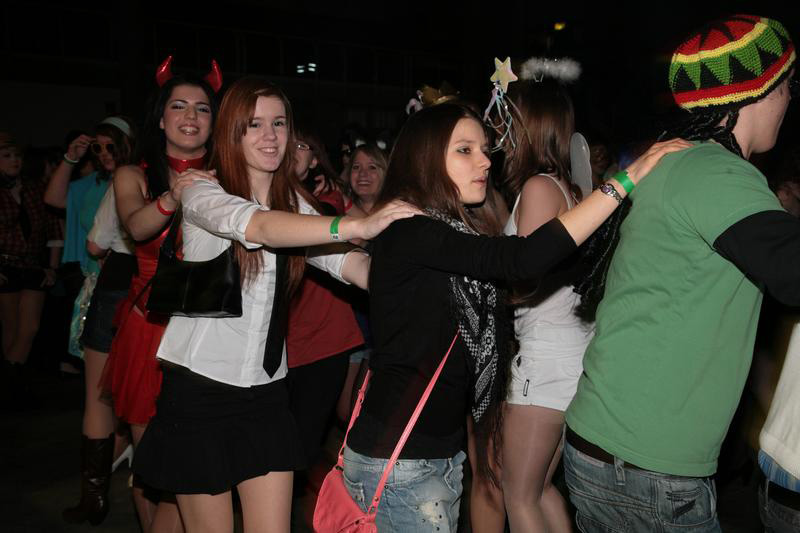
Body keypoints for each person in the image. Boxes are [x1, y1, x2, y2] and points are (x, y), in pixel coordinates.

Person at [341, 102, 687, 531]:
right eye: (465, 150)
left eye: (484, 149)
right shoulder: (412, 231)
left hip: (431, 453)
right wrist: (626, 179)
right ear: (425, 156)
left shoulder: (446, 229)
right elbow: (522, 260)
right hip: (400, 458)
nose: (486, 160)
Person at [131, 77, 418, 533]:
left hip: (267, 391)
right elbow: (259, 227)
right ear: (231, 133)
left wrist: (418, 276)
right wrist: (354, 225)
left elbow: (348, 265)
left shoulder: (294, 202)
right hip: (201, 390)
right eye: (255, 124)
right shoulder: (204, 191)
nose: (270, 136)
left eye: (279, 123)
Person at [563, 14, 798, 532]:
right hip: (647, 469)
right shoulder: (721, 174)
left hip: (602, 444)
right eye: (788, 86)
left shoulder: (672, 160)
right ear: (759, 92)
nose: (789, 101)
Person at [103, 58, 221, 532]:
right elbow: (136, 226)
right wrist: (174, 195)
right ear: (160, 117)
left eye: (202, 108)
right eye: (179, 106)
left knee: (196, 461)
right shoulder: (133, 174)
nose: (191, 116)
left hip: (211, 328)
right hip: (150, 330)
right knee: (154, 463)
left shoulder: (229, 174)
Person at [486, 79, 592, 533]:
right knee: (541, 489)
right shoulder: (567, 187)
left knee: (518, 495)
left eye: (506, 121)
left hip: (545, 357)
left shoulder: (538, 187)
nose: (498, 131)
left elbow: (525, 277)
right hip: (570, 351)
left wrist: (476, 285)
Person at [44, 117, 135, 360]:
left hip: (127, 282)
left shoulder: (140, 179)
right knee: (96, 361)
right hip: (95, 281)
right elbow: (53, 199)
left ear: (126, 144)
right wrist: (71, 157)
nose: (104, 153)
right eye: (98, 147)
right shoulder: (95, 183)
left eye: (110, 146)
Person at [0, 133, 60, 409]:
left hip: (34, 265)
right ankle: (15, 388)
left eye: (17, 156)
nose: (14, 161)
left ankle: (10, 381)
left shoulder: (35, 189)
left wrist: (52, 267)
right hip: (6, 265)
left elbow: (53, 229)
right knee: (11, 328)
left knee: (30, 327)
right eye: (7, 156)